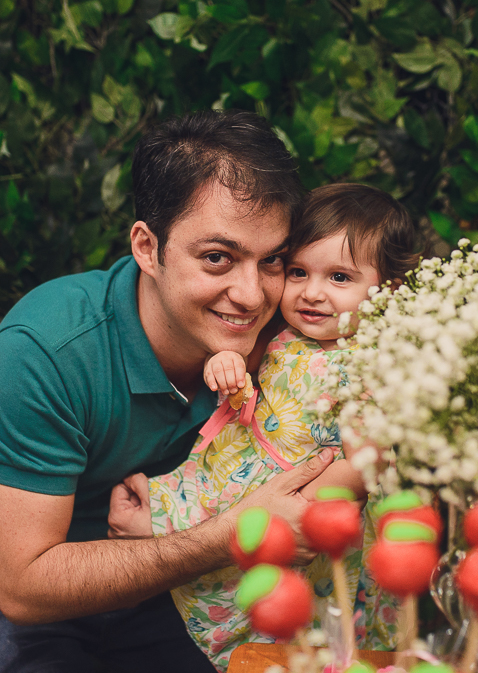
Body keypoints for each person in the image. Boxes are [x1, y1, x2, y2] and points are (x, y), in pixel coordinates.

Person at [0, 111, 334, 673]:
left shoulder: (287, 334)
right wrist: (225, 538)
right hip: (6, 591)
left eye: (272, 261)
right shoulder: (46, 352)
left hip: (165, 571)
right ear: (147, 247)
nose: (250, 295)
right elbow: (24, 586)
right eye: (218, 257)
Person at [108, 183, 423, 671]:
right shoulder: (284, 333)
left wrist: (298, 510)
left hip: (311, 496)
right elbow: (246, 377)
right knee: (189, 548)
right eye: (298, 272)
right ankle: (159, 536)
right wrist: (229, 366)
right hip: (237, 468)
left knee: (276, 610)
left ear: (389, 290)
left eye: (339, 277)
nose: (311, 292)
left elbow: (363, 465)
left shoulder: (381, 369)